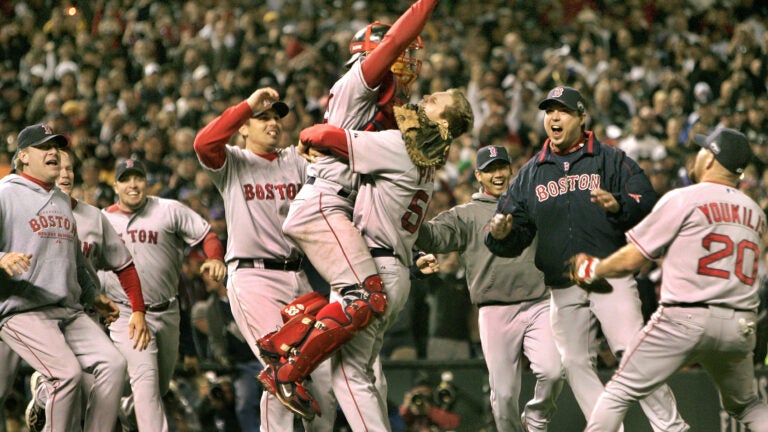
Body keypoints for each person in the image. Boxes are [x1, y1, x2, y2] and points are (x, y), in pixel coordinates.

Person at [260, 88, 474, 430]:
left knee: (349, 376)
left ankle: (291, 375)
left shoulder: (402, 147)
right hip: (389, 267)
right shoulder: (425, 160)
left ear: (442, 123)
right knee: (365, 374)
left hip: (374, 268)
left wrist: (307, 142)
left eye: (437, 101)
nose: (428, 97)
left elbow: (321, 133)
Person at [267, 0, 437, 420]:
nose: (403, 62)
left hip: (337, 207)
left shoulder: (388, 114)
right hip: (324, 202)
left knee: (354, 301)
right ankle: (288, 369)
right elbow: (397, 36)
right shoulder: (356, 82)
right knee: (365, 295)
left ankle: (285, 340)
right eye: (395, 57)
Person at [485, 86, 689, 431]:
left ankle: (672, 427)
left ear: (582, 118)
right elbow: (511, 232)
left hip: (608, 276)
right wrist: (500, 234)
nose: (554, 117)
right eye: (549, 111)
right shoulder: (531, 173)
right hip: (562, 285)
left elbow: (648, 202)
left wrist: (620, 205)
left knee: (631, 352)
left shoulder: (611, 159)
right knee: (575, 362)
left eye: (562, 111)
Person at [571, 128, 768, 431]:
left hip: (685, 316)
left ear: (712, 159)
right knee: (747, 404)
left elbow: (634, 259)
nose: (698, 154)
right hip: (739, 324)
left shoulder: (684, 198)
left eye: (704, 149)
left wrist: (594, 269)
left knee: (620, 389)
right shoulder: (755, 212)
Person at [193, 86, 335, 431]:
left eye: (276, 118)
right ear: (243, 126)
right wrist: (247, 105)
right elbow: (203, 144)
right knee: (283, 366)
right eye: (263, 118)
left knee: (326, 378)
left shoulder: (295, 160)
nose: (273, 123)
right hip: (252, 276)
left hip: (298, 276)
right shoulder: (233, 162)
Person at [417, 145, 564, 431]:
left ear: (511, 170)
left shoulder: (530, 204)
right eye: (490, 170)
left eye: (501, 168)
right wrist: (408, 213)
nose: (497, 175)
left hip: (538, 304)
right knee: (505, 393)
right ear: (478, 176)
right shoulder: (466, 215)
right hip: (495, 310)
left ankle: (536, 417)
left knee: (554, 371)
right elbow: (431, 238)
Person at [17, 145, 153, 432]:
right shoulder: (25, 208)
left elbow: (123, 265)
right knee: (69, 385)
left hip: (84, 314)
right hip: (38, 313)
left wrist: (136, 308)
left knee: (101, 391)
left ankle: (44, 394)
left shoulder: (92, 216)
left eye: (70, 168)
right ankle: (44, 394)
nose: (65, 173)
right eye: (59, 166)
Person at [0, 124, 126, 432]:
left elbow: (76, 259)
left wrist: (93, 294)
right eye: (45, 147)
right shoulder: (5, 193)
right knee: (66, 374)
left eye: (56, 147)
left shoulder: (60, 200)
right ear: (23, 157)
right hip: (22, 308)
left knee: (114, 364)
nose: (53, 152)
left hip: (67, 310)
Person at [100, 158, 227, 432]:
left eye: (138, 178)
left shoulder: (168, 210)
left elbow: (207, 235)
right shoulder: (103, 219)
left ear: (146, 182)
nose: (133, 185)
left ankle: (119, 408)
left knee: (156, 387)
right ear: (116, 185)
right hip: (126, 313)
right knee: (146, 385)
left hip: (167, 310)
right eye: (126, 179)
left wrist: (215, 257)